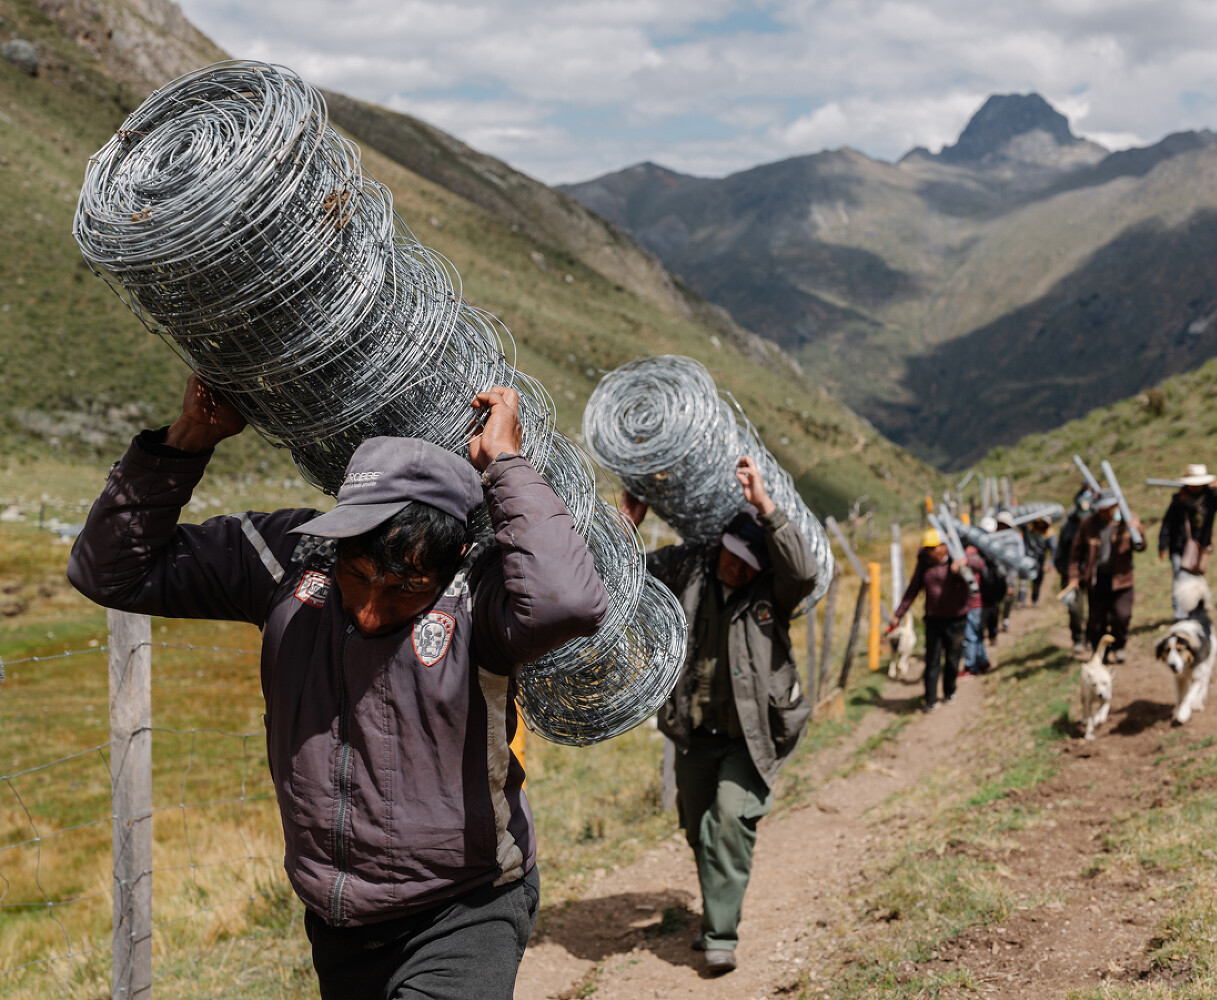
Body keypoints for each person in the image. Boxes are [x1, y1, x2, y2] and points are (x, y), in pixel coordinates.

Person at [68, 375, 609, 1000]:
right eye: (359, 575)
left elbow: (569, 600)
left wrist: (506, 465)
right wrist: (190, 438)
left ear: (456, 553)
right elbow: (107, 570)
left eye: (406, 587)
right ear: (339, 536)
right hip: (340, 922)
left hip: (466, 908)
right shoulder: (289, 560)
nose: (373, 610)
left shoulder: (480, 597)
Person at [620, 456, 816, 977]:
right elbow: (626, 574)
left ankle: (719, 936)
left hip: (749, 738)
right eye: (732, 555)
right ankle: (716, 906)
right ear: (720, 548)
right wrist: (626, 524)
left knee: (729, 820)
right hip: (693, 732)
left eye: (749, 561)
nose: (737, 567)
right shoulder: (690, 569)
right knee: (696, 825)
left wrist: (764, 505)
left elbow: (804, 569)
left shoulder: (772, 595)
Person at [888, 529, 984, 710]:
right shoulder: (924, 564)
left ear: (944, 546)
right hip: (933, 620)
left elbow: (981, 564)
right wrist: (899, 614)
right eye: (929, 548)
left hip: (957, 619)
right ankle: (930, 699)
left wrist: (965, 562)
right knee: (932, 659)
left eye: (935, 548)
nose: (932, 552)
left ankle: (949, 691)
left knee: (952, 658)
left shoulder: (958, 559)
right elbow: (913, 590)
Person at [1069, 494, 1146, 663]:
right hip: (1097, 580)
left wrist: (1138, 530)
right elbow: (1076, 554)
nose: (1104, 513)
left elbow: (1141, 547)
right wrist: (1074, 577)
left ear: (1115, 507)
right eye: (1101, 509)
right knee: (1096, 621)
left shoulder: (1128, 521)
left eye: (1107, 509)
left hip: (1122, 579)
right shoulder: (1088, 524)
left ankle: (1119, 646)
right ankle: (1099, 653)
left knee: (1121, 616)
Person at [1158, 463, 1217, 619]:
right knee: (1180, 578)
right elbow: (1167, 523)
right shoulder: (1179, 500)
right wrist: (1163, 544)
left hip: (1201, 547)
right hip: (1179, 546)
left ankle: (1196, 609)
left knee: (1196, 578)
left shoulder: (1211, 498)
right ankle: (1180, 611)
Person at [1054, 488, 1095, 653]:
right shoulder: (1068, 526)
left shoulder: (1096, 525)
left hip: (1091, 572)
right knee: (1075, 609)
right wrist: (1065, 572)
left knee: (1095, 609)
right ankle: (1077, 638)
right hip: (1071, 574)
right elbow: (1061, 551)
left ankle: (1091, 638)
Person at [961, 544, 992, 675]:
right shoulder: (980, 551)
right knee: (977, 634)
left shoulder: (967, 556)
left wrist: (964, 560)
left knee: (970, 636)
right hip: (982, 603)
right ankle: (983, 661)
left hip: (973, 604)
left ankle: (971, 666)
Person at [1022, 517, 1052, 604]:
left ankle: (1035, 599)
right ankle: (1022, 600)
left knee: (1038, 580)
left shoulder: (1047, 534)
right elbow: (1023, 528)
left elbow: (1053, 548)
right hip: (1028, 558)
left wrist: (1051, 562)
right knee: (1024, 579)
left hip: (1040, 560)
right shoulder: (1030, 531)